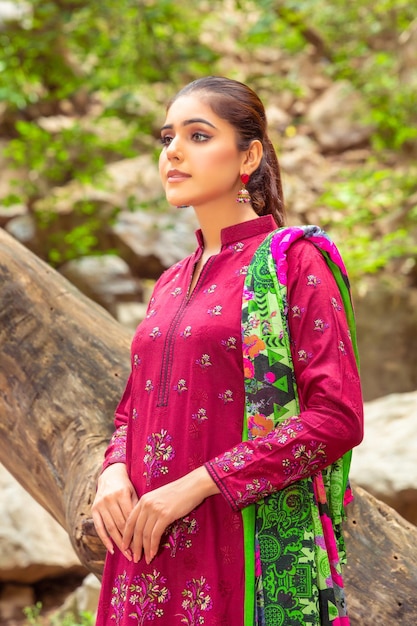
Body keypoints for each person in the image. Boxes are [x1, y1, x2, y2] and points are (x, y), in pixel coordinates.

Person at [92, 76, 363, 626]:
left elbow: (336, 417)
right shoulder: (170, 281)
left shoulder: (294, 264)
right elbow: (132, 409)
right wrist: (113, 471)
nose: (173, 151)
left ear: (250, 156)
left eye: (197, 135)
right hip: (143, 551)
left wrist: (198, 485)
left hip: (237, 547)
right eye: (168, 137)